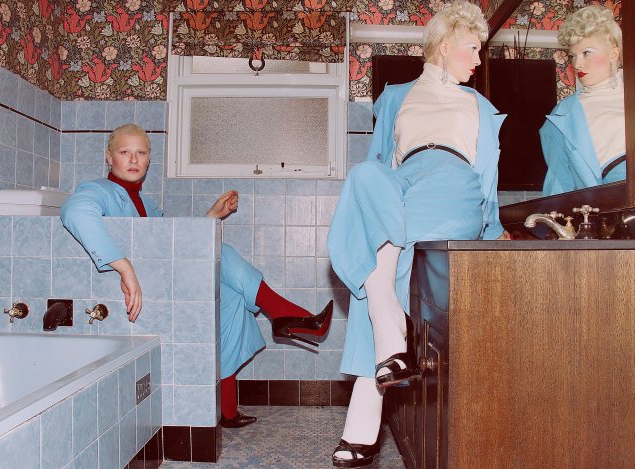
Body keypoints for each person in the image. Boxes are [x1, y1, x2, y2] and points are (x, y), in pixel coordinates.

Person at [326, 1, 508, 466]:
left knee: (379, 268)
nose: (478, 59)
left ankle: (365, 413)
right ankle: (391, 334)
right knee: (362, 177)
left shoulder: (480, 108)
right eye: (472, 48)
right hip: (403, 180)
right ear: (444, 46)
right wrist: (379, 208)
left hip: (453, 187)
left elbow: (486, 180)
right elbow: (379, 161)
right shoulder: (396, 96)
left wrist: (492, 231)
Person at [61, 124, 333, 429]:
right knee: (222, 251)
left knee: (231, 300)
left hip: (160, 282)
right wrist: (124, 267)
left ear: (149, 159)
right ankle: (284, 313)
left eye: (141, 153)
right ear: (109, 157)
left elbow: (175, 247)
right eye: (125, 152)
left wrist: (212, 216)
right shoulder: (98, 190)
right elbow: (74, 212)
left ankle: (226, 409)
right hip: (135, 292)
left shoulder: (146, 204)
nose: (134, 159)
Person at [540, 5, 624, 196]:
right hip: (613, 199)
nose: (577, 64)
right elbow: (559, 183)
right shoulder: (560, 116)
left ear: (613, 54)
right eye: (573, 56)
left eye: (586, 53)